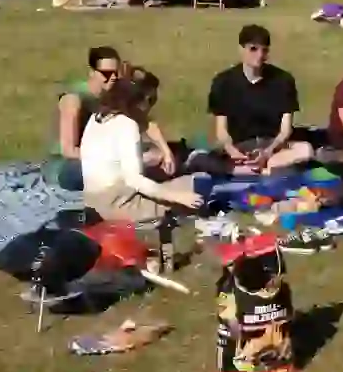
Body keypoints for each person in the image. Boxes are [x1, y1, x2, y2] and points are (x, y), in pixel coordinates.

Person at [80, 78, 203, 224]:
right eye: (148, 101)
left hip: (91, 199)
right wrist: (178, 197)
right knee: (193, 183)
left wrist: (166, 153)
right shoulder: (127, 125)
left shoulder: (97, 117)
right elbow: (134, 180)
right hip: (116, 204)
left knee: (157, 173)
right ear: (137, 102)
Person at [206, 25, 313, 175]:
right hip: (240, 146)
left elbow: (285, 130)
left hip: (274, 147)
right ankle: (260, 170)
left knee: (305, 149)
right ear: (241, 49)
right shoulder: (223, 82)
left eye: (264, 50)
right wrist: (232, 151)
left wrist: (269, 151)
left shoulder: (283, 80)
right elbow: (221, 131)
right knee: (205, 159)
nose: (259, 55)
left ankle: (260, 169)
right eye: (253, 49)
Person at [48, 46, 122, 189]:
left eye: (116, 73)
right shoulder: (73, 100)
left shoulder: (112, 98)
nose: (112, 77)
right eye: (106, 73)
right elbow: (68, 150)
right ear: (92, 73)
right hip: (66, 167)